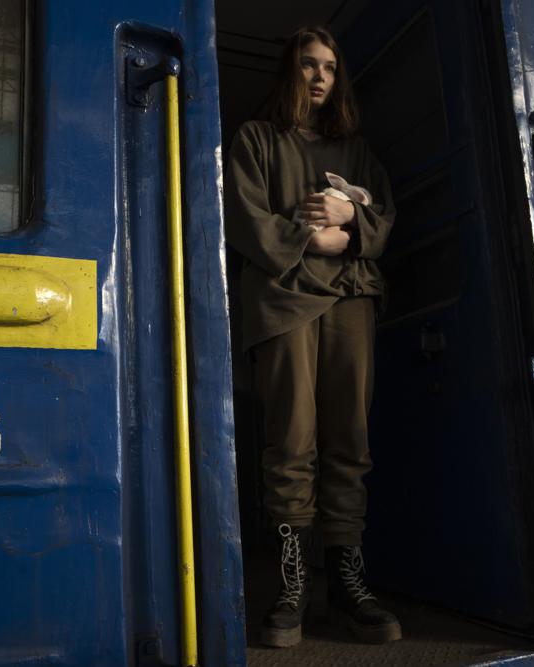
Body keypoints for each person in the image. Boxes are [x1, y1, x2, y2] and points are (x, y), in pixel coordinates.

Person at [224, 26, 399, 647]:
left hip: (351, 299)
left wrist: (352, 222)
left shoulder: (355, 150)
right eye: (308, 65)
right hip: (285, 302)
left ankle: (348, 586)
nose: (320, 76)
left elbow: (386, 218)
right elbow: (244, 219)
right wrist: (311, 239)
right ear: (289, 72)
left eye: (329, 67)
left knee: (350, 439)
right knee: (291, 441)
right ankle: (293, 584)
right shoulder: (254, 139)